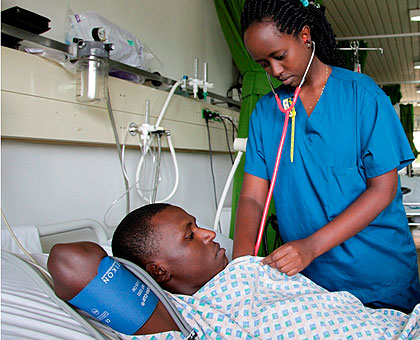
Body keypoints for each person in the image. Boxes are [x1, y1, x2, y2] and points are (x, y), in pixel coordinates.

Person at [234, 0, 420, 313]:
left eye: (279, 56)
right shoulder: (267, 113)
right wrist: (239, 270)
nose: (276, 71)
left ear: (305, 36)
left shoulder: (362, 95)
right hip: (309, 283)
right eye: (264, 64)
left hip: (377, 277)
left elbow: (383, 189)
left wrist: (311, 246)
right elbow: (253, 197)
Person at [48, 203, 420, 339]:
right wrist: (129, 270)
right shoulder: (184, 319)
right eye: (190, 234)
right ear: (158, 271)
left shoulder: (248, 267)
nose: (210, 233)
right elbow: (70, 262)